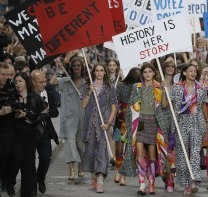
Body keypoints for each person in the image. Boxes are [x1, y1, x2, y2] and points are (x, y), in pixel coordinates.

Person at [124, 63, 170, 195]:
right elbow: (130, 105)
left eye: (150, 71)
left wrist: (165, 91)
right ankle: (142, 184)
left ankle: (152, 183)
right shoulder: (137, 87)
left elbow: (165, 106)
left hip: (154, 124)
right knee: (139, 154)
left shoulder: (159, 87)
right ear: (142, 74)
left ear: (154, 73)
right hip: (140, 123)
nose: (148, 74)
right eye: (145, 72)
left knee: (152, 155)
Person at [170, 63, 208, 195]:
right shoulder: (177, 88)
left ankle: (194, 180)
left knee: (195, 152)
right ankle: (186, 183)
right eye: (190, 71)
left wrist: (206, 122)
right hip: (181, 122)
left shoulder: (202, 88)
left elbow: (203, 105)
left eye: (195, 71)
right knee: (182, 154)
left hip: (196, 122)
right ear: (185, 73)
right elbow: (172, 106)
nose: (193, 73)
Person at [7, 72, 47, 197]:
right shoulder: (12, 97)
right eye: (16, 81)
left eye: (20, 81)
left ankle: (29, 193)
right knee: (16, 160)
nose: (18, 84)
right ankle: (10, 182)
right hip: (15, 134)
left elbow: (44, 113)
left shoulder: (35, 96)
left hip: (30, 135)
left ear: (26, 82)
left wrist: (32, 118)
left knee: (28, 165)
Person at [81, 63, 117, 193]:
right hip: (90, 124)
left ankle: (101, 179)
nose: (99, 72)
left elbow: (114, 107)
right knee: (90, 151)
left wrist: (108, 123)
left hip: (103, 125)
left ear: (105, 72)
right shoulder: (87, 86)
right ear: (94, 72)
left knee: (102, 151)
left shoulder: (110, 88)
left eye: (102, 70)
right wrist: (90, 92)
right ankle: (93, 178)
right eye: (97, 70)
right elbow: (83, 105)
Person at [50, 57, 87, 182]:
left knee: (81, 145)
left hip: (83, 116)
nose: (76, 67)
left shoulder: (87, 82)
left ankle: (81, 164)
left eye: (78, 65)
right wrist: (59, 69)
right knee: (70, 142)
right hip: (68, 117)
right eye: (74, 65)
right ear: (71, 67)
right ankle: (71, 168)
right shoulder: (65, 80)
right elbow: (52, 81)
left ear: (82, 66)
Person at [31, 69, 59, 195]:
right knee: (28, 160)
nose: (43, 84)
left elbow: (55, 112)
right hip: (30, 132)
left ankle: (40, 178)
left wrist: (47, 111)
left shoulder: (49, 94)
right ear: (33, 83)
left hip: (45, 131)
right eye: (40, 82)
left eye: (45, 81)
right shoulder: (28, 95)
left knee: (45, 158)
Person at [0, 62, 15, 195]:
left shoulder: (11, 88)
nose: (5, 77)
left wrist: (13, 109)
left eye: (6, 74)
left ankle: (5, 181)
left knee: (5, 158)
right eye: (2, 74)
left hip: (7, 130)